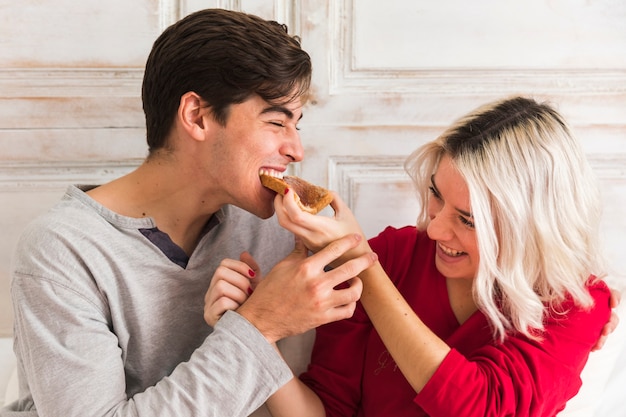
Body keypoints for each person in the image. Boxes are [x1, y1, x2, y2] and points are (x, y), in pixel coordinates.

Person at [2, 9, 376, 417]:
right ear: (197, 116)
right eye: (275, 122)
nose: (297, 151)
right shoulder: (63, 252)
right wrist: (258, 325)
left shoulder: (276, 231)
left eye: (297, 126)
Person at [254, 96, 618, 416]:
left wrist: (363, 264)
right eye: (436, 194)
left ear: (532, 228)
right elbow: (327, 410)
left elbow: (479, 407)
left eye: (468, 220)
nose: (435, 230)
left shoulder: (574, 303)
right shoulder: (393, 257)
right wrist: (257, 335)